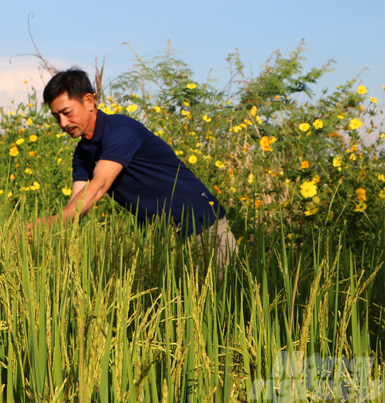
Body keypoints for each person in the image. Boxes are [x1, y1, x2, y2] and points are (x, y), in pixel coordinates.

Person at [29, 68, 237, 270]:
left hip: (201, 223)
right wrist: (51, 235)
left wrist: (53, 222)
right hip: (162, 236)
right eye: (57, 117)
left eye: (67, 113)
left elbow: (99, 186)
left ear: (89, 101)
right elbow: (77, 204)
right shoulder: (82, 154)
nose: (63, 123)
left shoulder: (120, 132)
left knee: (224, 296)